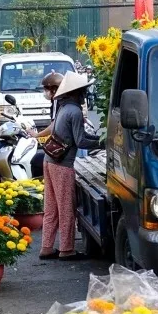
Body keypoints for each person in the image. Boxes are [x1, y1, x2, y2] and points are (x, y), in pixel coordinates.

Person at [41, 71, 99, 261]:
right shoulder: (74, 111)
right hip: (62, 165)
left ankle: (47, 247)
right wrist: (102, 142)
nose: (85, 94)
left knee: (51, 208)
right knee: (66, 208)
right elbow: (81, 141)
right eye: (83, 91)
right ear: (76, 92)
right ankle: (66, 249)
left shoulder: (63, 108)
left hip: (49, 161)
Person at [30, 71, 64, 138]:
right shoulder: (64, 98)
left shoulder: (57, 100)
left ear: (54, 90)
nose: (45, 92)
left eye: (46, 89)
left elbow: (54, 125)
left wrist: (37, 135)